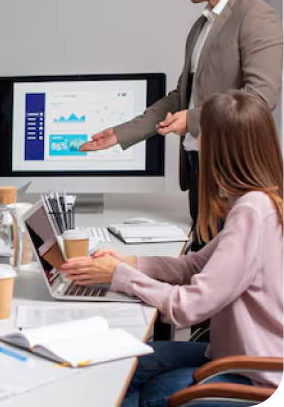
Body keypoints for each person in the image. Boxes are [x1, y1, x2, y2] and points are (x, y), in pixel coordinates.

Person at [63, 91, 284, 406]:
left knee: (136, 386)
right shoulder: (261, 201)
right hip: (240, 357)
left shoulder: (251, 211)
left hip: (253, 375)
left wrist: (121, 276)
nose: (197, 143)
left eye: (201, 135)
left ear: (222, 147)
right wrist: (129, 262)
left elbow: (188, 308)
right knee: (121, 364)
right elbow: (194, 267)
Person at [80, 0, 284, 246]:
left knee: (224, 280)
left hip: (234, 176)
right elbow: (182, 96)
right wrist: (121, 133)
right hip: (198, 173)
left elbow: (260, 98)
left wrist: (191, 119)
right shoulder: (201, 26)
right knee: (200, 265)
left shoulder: (256, 17)